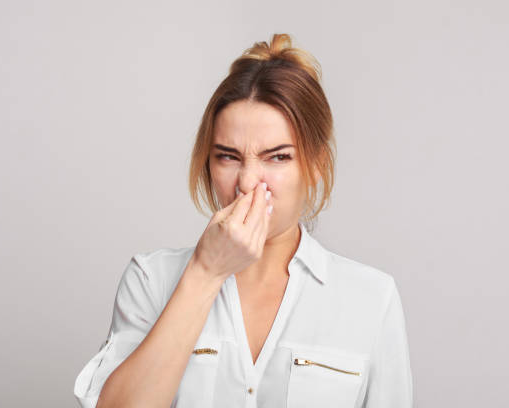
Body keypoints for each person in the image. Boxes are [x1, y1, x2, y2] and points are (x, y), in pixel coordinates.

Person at [74, 33, 413, 408]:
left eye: (278, 157)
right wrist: (205, 272)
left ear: (315, 164)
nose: (248, 181)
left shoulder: (371, 298)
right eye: (228, 157)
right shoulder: (150, 280)